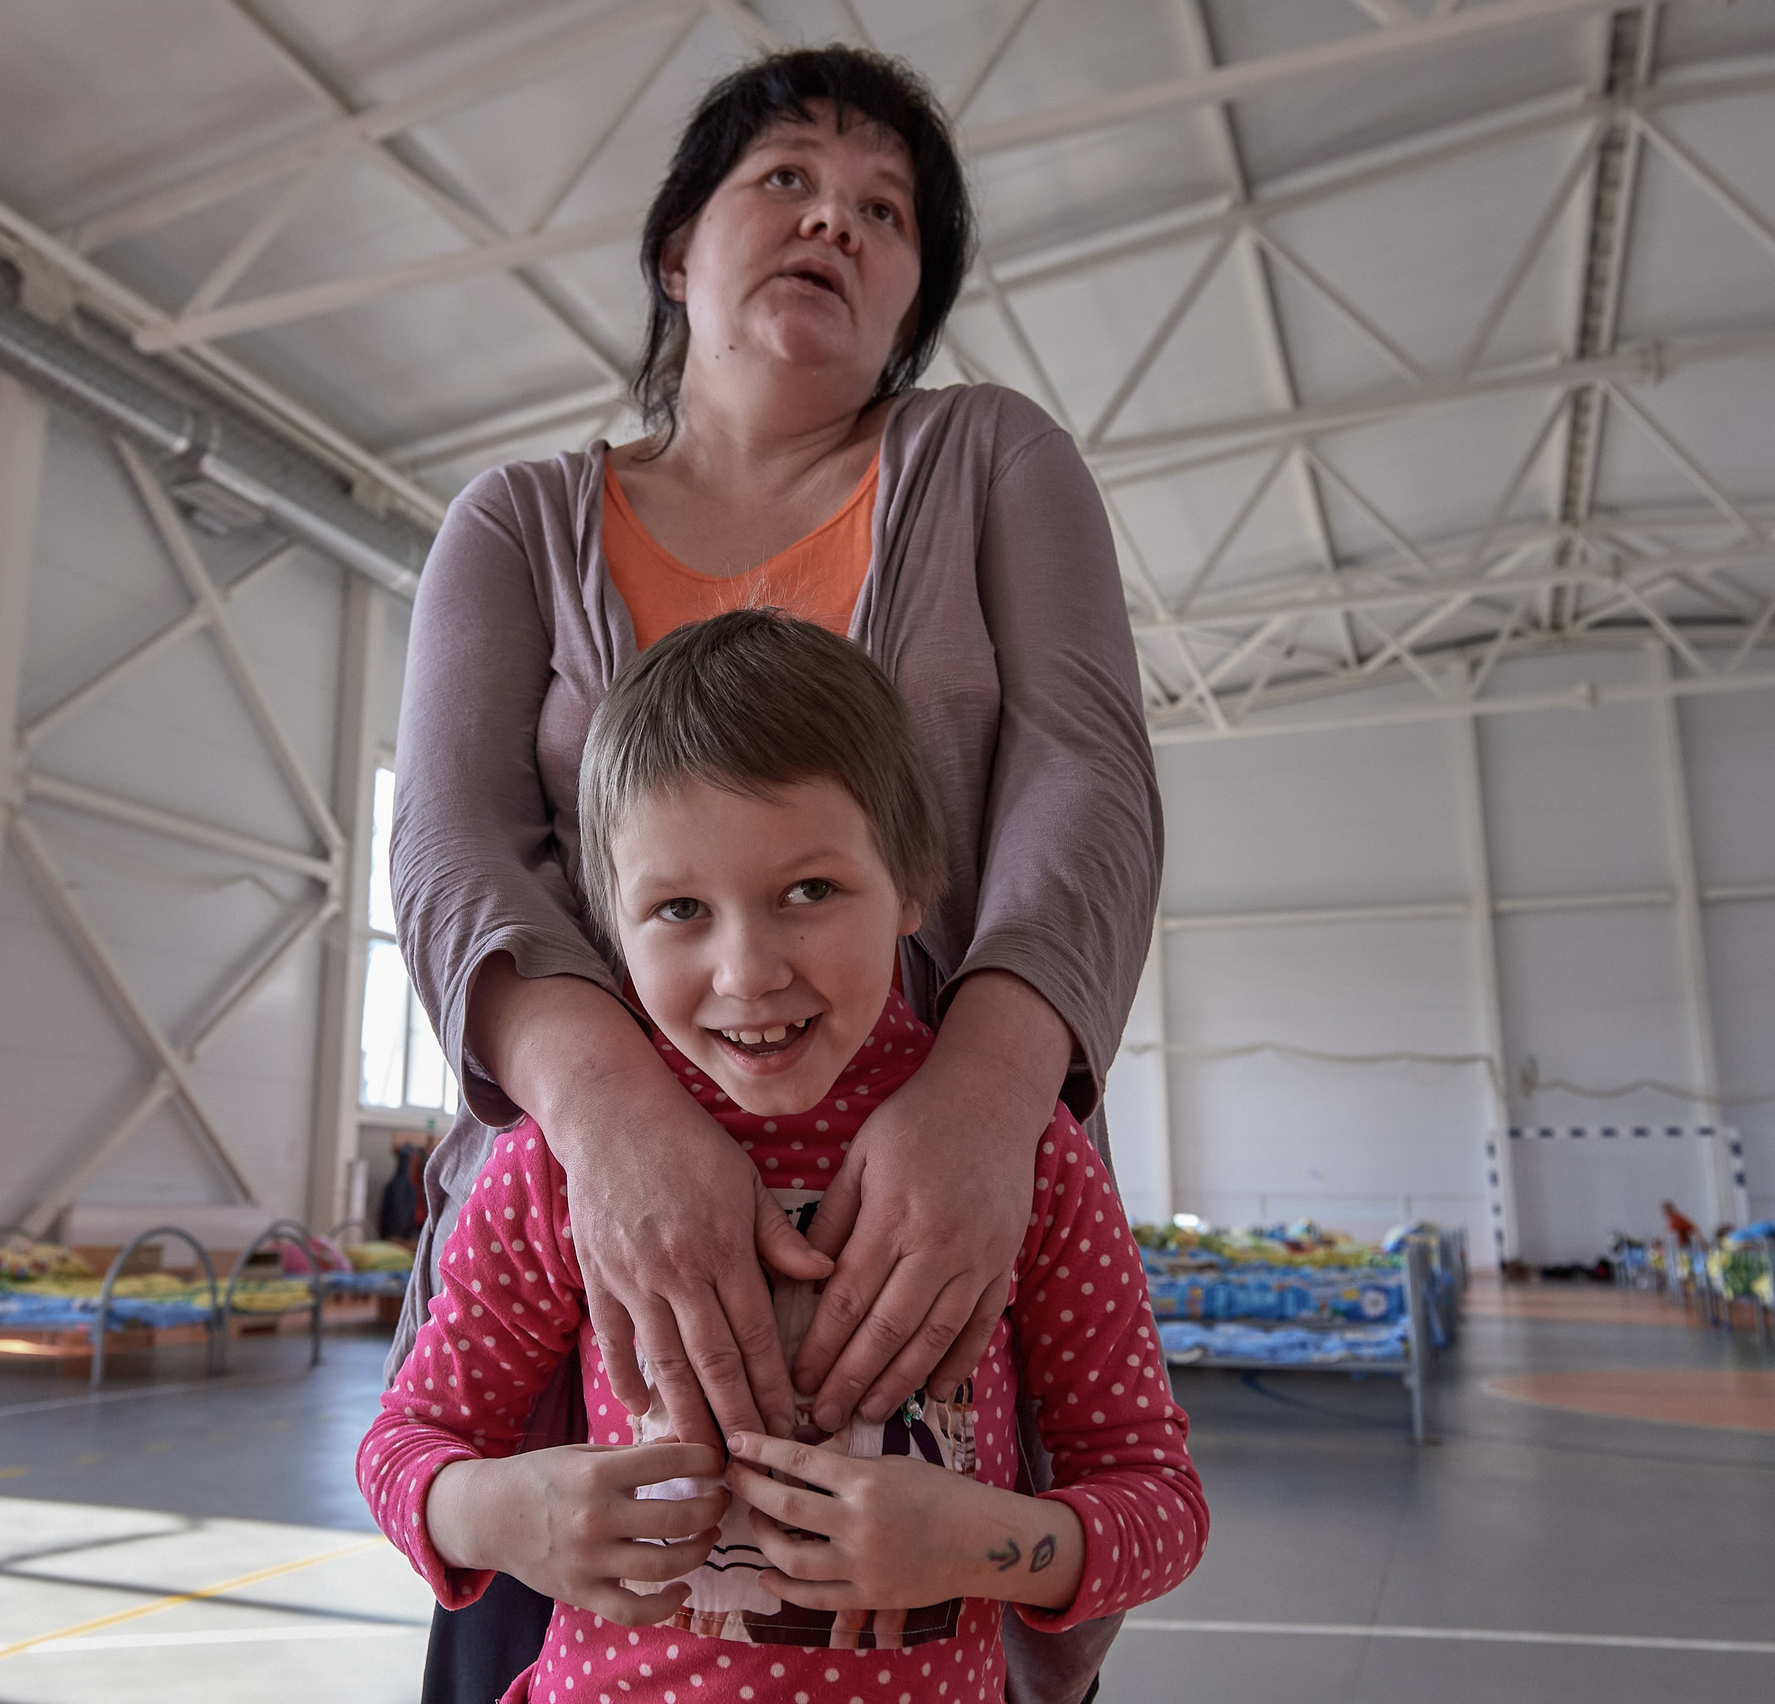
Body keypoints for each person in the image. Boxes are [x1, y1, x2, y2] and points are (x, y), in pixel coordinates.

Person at [390, 45, 1162, 1704]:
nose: (837, 218)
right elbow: (452, 838)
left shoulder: (989, 460)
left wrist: (984, 1094)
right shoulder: (519, 523)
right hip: (586, 1246)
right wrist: (610, 1118)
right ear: (680, 248)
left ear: (914, 301)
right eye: (788, 182)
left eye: (886, 213)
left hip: (931, 1226)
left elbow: (1088, 774)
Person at [361, 611, 1205, 1703]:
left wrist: (987, 1541)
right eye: (678, 910)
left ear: (911, 884)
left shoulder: (1022, 1161)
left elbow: (1160, 1501)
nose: (747, 972)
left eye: (808, 891)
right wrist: (502, 1515)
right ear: (613, 926)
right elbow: (405, 1446)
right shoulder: (564, 1167)